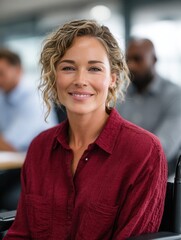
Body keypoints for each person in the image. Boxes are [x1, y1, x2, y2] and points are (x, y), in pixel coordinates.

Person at [4, 19, 167, 240]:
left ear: (112, 78)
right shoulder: (40, 148)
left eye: (94, 69)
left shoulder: (143, 151)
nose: (80, 80)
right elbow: (20, 235)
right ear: (54, 77)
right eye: (68, 68)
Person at [117, 37, 181, 179]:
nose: (131, 65)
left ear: (154, 59)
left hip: (162, 178)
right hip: (122, 176)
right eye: (127, 60)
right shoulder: (119, 95)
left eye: (138, 59)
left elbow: (162, 148)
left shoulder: (175, 96)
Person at [0, 48, 58, 152]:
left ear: (18, 70)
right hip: (17, 160)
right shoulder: (4, 94)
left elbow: (10, 144)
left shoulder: (34, 98)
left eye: (1, 73)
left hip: (42, 161)